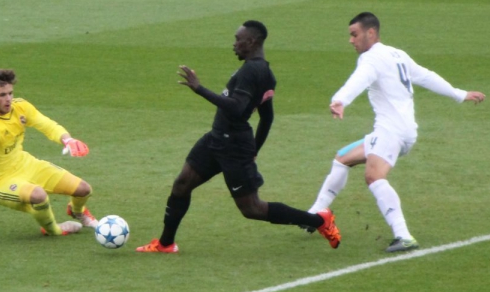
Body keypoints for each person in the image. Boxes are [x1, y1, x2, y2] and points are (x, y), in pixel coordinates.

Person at [136, 20, 341, 253]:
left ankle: (320, 220)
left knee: (252, 209)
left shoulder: (252, 71)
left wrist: (199, 89)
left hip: (233, 145)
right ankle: (165, 244)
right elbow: (267, 117)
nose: (234, 44)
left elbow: (236, 107)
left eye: (238, 39)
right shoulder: (263, 71)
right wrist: (255, 149)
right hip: (216, 139)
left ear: (252, 41)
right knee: (182, 184)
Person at [305, 12, 485, 252]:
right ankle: (314, 214)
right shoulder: (397, 54)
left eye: (354, 34)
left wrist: (340, 100)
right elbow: (424, 75)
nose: (351, 40)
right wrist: (459, 93)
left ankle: (403, 235)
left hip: (391, 132)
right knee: (342, 159)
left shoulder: (372, 59)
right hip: (400, 130)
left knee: (374, 177)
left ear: (371, 33)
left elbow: (359, 79)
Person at [0, 69, 98, 237]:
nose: (8, 99)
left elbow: (45, 123)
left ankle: (77, 211)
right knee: (38, 195)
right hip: (1, 180)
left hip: (26, 165)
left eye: (10, 93)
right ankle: (53, 229)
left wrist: (67, 139)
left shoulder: (20, 106)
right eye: (2, 95)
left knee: (84, 189)